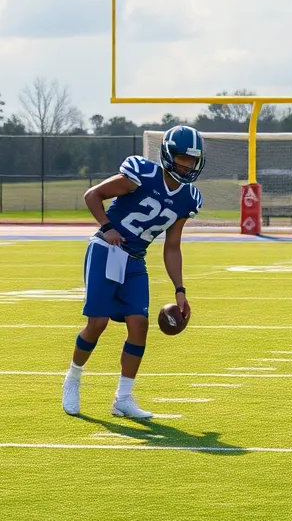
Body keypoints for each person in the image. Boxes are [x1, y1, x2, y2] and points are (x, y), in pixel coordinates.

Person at [62, 125, 204, 420]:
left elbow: (172, 246)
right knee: (97, 323)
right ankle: (73, 379)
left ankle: (123, 399)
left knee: (139, 324)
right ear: (167, 154)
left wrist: (180, 289)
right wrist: (108, 227)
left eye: (192, 160)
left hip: (135, 260)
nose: (187, 165)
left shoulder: (189, 197)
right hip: (106, 250)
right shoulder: (142, 174)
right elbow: (93, 195)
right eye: (182, 158)